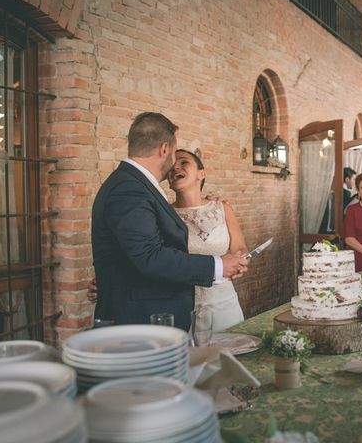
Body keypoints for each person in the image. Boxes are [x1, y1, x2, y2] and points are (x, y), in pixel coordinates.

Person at [91, 112, 248, 331]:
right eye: (175, 154)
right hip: (139, 323)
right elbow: (150, 256)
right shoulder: (130, 189)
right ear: (164, 149)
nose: (175, 163)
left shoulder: (133, 185)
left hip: (172, 312)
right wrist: (218, 265)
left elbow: (134, 253)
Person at [170, 150, 248, 332]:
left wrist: (241, 262)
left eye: (184, 162)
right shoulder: (164, 215)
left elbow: (241, 248)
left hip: (223, 304)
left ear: (201, 174)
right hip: (182, 310)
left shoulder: (222, 208)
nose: (175, 167)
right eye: (171, 165)